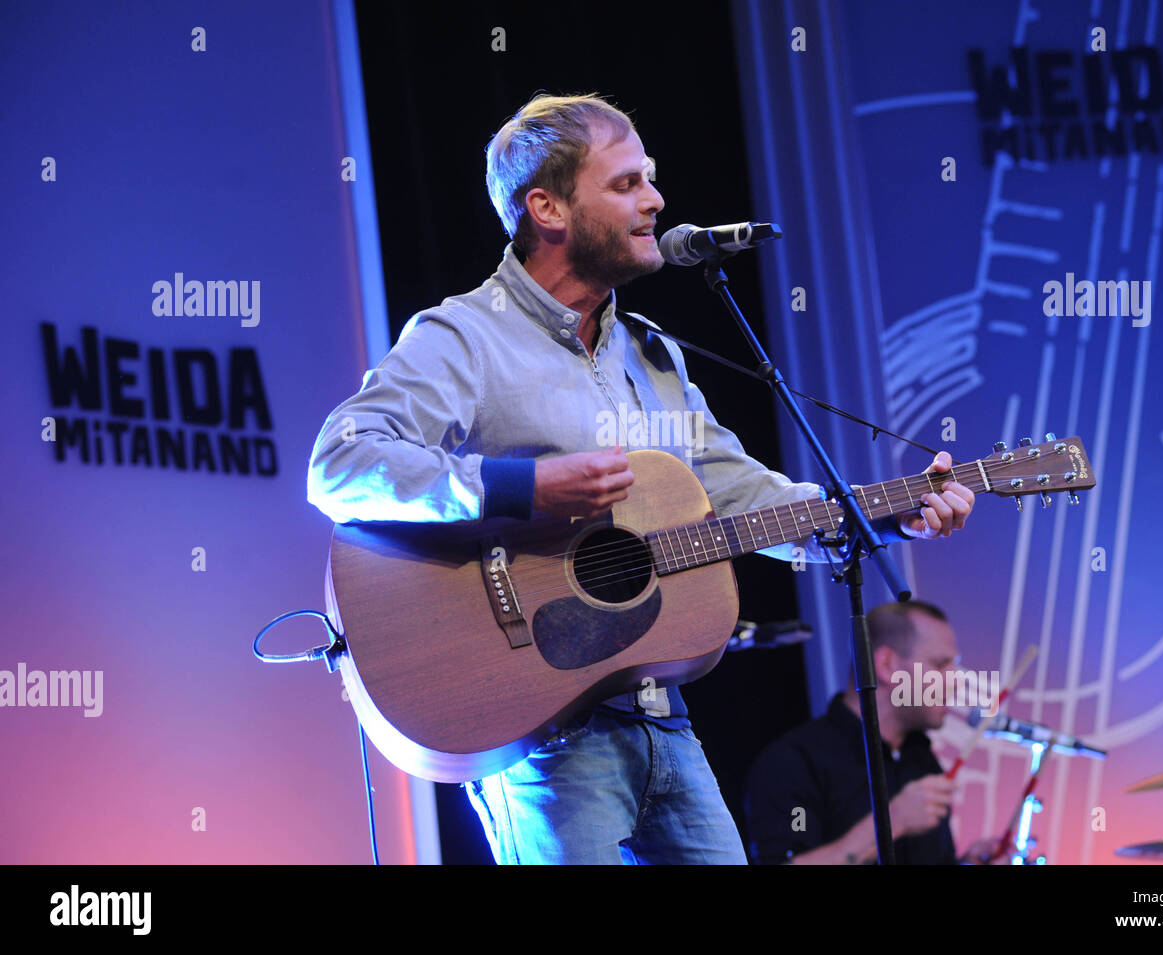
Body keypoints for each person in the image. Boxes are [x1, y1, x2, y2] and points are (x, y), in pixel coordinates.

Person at [307, 93, 976, 864]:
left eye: (650, 180)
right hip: (542, 734)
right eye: (626, 184)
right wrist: (523, 489)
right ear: (547, 206)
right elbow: (340, 464)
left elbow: (744, 496)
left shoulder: (652, 355)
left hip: (662, 714)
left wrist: (884, 514)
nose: (656, 200)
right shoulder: (464, 336)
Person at [744, 601, 1004, 864]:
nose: (955, 680)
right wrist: (894, 820)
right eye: (940, 664)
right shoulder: (793, 763)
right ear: (887, 665)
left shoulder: (922, 760)